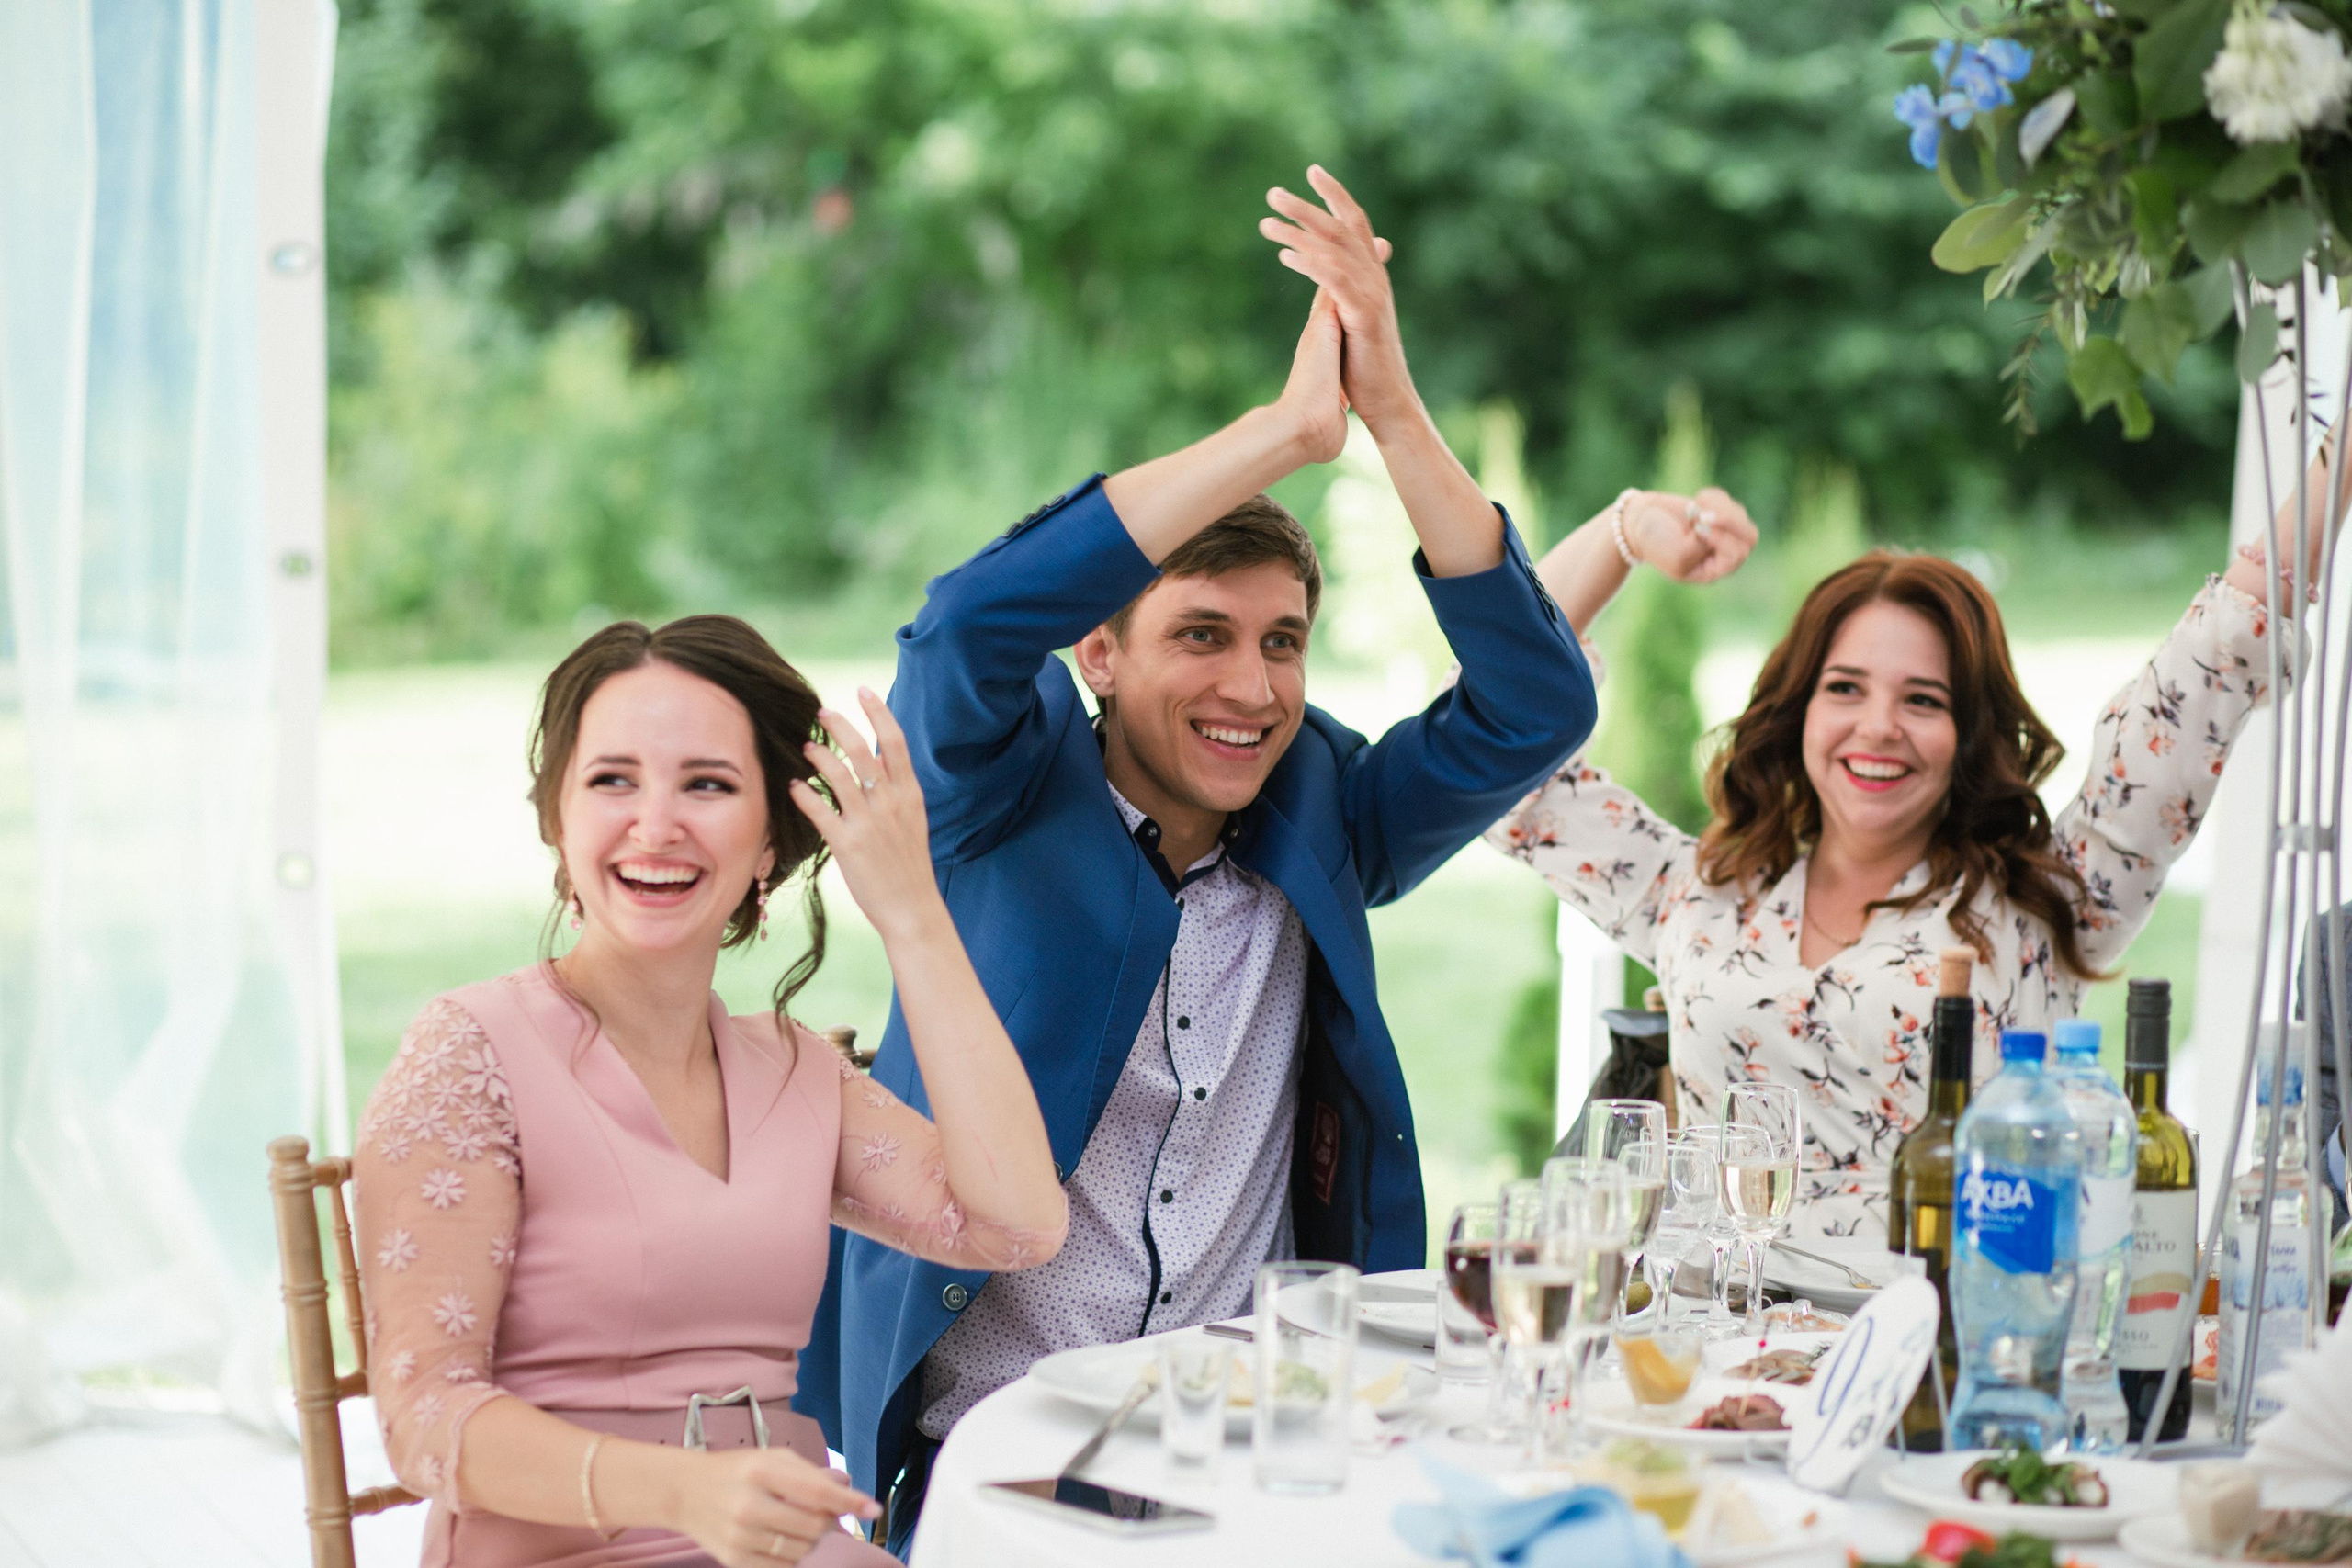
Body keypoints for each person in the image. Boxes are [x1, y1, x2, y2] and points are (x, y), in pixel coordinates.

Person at [794, 166, 1596, 1551]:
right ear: (1099, 650)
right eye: (1202, 633)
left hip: (1253, 1443)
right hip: (1003, 1451)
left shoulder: (1325, 809)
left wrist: (1390, 412)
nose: (1253, 684)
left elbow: (1540, 704)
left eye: (1283, 639)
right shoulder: (992, 788)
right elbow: (965, 624)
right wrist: (1288, 434)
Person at [353, 616, 1069, 1567]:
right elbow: (426, 1421)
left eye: (708, 784)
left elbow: (1018, 1224)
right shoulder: (468, 1054)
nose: (656, 824)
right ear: (557, 820)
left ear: (772, 838)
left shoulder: (798, 1072)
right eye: (612, 780)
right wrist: (687, 1491)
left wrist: (912, 913)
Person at [1489, 464, 2340, 1241]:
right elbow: (1506, 742)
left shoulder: (2050, 898)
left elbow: (2216, 653)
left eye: (1923, 699)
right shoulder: (1701, 895)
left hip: (1945, 1362)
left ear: (1969, 736)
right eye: (1845, 688)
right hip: (1713, 1366)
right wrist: (1624, 533)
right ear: (1799, 711)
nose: (1878, 727)